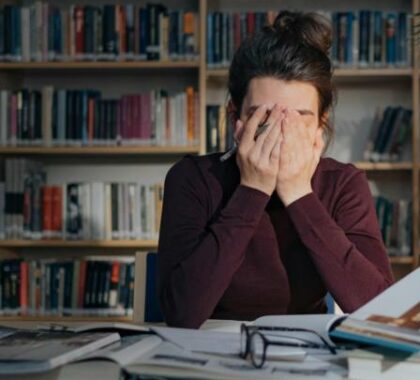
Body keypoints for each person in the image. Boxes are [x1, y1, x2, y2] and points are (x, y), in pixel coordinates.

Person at [157, 11, 394, 328]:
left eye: (298, 118)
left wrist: (299, 194)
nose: (280, 133)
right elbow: (180, 313)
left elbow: (379, 310)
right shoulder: (193, 179)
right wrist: (252, 190)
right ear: (235, 118)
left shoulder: (342, 184)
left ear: (320, 125)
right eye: (264, 116)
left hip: (307, 354)